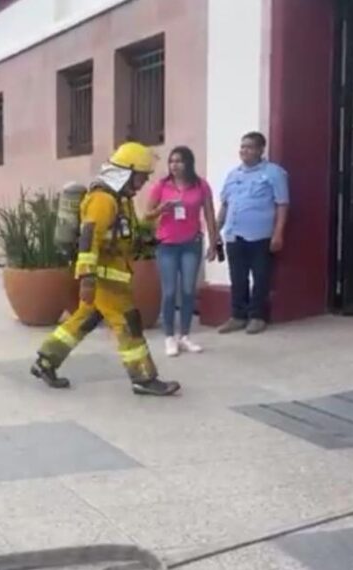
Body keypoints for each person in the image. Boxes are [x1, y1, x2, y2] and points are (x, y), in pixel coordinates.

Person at [30, 142, 182, 397]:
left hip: (111, 275)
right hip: (103, 279)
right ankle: (143, 377)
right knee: (128, 323)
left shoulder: (120, 199)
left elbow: (124, 234)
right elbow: (90, 238)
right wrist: (87, 277)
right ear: (127, 173)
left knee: (83, 320)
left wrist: (148, 235)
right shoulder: (102, 199)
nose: (144, 182)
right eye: (142, 176)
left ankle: (45, 361)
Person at [142, 146, 220, 356]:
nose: (175, 165)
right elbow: (146, 215)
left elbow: (210, 214)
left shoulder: (201, 185)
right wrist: (161, 209)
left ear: (189, 163)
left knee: (187, 291)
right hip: (167, 244)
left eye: (179, 161)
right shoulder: (161, 186)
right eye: (171, 161)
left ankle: (184, 335)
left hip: (191, 243)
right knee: (169, 292)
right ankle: (169, 336)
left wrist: (214, 242)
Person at [217, 131, 289, 335]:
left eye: (249, 147)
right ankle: (237, 316)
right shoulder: (233, 175)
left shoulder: (274, 173)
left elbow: (282, 204)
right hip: (234, 234)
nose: (244, 151)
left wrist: (278, 233)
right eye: (242, 147)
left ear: (260, 150)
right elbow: (225, 204)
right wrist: (216, 230)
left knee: (261, 277)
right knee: (237, 277)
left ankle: (257, 316)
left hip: (261, 235)